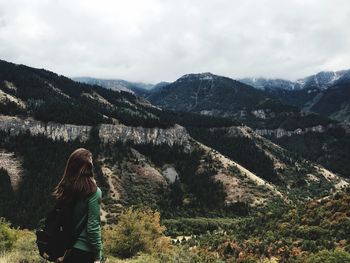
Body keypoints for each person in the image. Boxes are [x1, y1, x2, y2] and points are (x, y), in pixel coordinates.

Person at [52, 148, 102, 263]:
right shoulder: (94, 192)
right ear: (89, 167)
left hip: (67, 251)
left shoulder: (66, 189)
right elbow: (93, 228)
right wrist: (98, 256)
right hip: (85, 251)